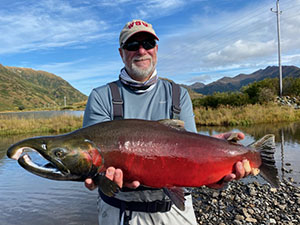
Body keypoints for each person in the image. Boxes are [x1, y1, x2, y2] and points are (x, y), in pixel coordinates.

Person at [83, 19, 251, 225]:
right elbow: (91, 167)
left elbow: (190, 155)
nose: (141, 51)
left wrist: (216, 163)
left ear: (156, 49)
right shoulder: (101, 96)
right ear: (121, 53)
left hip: (174, 210)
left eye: (148, 44)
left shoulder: (178, 94)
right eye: (132, 45)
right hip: (119, 210)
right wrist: (96, 179)